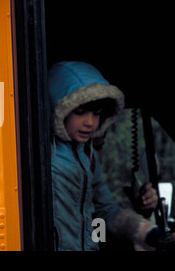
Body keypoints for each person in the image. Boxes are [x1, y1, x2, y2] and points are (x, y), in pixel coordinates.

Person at [49, 61, 174, 251]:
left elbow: (104, 212)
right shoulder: (45, 156)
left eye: (97, 113)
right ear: (59, 109)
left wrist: (151, 234)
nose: (90, 122)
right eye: (80, 112)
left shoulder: (86, 156)